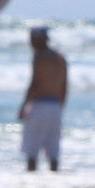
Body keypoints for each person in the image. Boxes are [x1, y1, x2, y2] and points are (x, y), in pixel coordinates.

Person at [18, 26, 67, 171]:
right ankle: (55, 181)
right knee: (53, 151)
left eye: (32, 39)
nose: (30, 43)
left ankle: (31, 182)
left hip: (39, 105)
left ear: (38, 40)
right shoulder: (60, 58)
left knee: (32, 150)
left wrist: (24, 106)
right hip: (56, 106)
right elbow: (64, 86)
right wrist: (60, 106)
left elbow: (35, 83)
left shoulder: (39, 57)